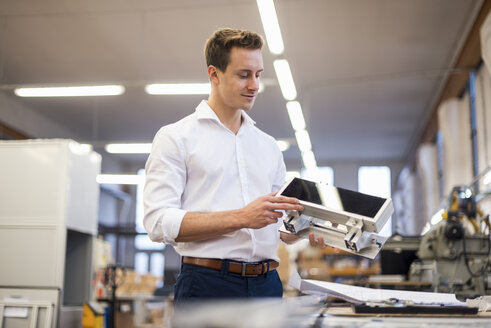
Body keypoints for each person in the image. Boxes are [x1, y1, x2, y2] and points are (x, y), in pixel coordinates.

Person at [143, 28, 324, 303]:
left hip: (267, 286)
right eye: (243, 75)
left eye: (258, 75)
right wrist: (241, 217)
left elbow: (278, 226)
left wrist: (308, 227)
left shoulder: (267, 145)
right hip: (207, 285)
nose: (254, 85)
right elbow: (158, 222)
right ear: (214, 74)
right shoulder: (176, 138)